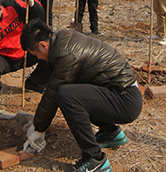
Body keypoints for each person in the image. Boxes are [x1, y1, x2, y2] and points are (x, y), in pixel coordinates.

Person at [20, 19, 142, 172]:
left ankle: (95, 159)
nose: (38, 58)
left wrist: (39, 129)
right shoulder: (62, 39)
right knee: (74, 92)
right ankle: (110, 133)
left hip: (125, 100)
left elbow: (53, 93)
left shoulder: (66, 53)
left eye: (35, 54)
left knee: (66, 95)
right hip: (119, 93)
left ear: (43, 45)